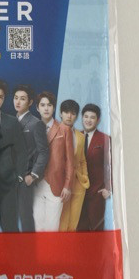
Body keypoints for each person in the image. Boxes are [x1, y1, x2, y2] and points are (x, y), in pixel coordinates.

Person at [0, 78, 28, 232]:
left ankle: (13, 250)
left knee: (10, 226)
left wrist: (19, 177)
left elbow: (22, 151)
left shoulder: (12, 122)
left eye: (0, 97)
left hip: (8, 183)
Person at [34, 91, 73, 232]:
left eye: (49, 105)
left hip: (56, 183)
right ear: (37, 108)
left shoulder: (64, 129)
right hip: (36, 183)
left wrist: (67, 185)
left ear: (54, 108)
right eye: (42, 105)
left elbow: (70, 161)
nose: (46, 108)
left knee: (52, 227)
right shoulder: (32, 128)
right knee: (37, 226)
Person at [13, 85, 49, 232]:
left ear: (30, 102)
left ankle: (29, 245)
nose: (18, 102)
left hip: (25, 179)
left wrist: (33, 175)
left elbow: (43, 152)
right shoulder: (11, 120)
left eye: (22, 99)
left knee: (25, 216)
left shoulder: (36, 123)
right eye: (16, 98)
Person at [77, 104, 112, 231]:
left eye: (92, 117)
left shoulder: (105, 139)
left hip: (96, 193)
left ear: (98, 120)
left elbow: (110, 165)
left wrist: (108, 188)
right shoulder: (75, 136)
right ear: (82, 118)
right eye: (86, 116)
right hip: (77, 192)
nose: (88, 120)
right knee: (79, 229)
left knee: (96, 228)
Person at [58, 99, 90, 232]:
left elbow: (82, 160)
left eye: (73, 113)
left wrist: (84, 177)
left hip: (78, 183)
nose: (69, 116)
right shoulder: (54, 132)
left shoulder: (80, 136)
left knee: (73, 222)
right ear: (60, 114)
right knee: (62, 222)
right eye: (66, 112)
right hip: (61, 183)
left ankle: (69, 245)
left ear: (76, 116)